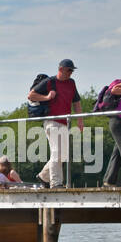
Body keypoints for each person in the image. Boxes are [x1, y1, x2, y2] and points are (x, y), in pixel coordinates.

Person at [31, 58, 83, 188]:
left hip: (65, 122)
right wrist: (47, 97)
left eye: (72, 71)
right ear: (61, 69)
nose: (71, 73)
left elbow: (76, 102)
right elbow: (31, 95)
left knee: (63, 155)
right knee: (57, 152)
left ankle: (43, 176)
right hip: (51, 121)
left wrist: (80, 120)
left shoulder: (72, 83)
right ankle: (55, 183)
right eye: (69, 70)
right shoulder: (49, 82)